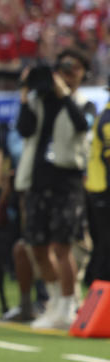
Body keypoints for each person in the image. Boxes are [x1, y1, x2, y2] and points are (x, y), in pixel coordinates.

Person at [17, 50, 92, 330]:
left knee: (63, 246)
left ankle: (69, 305)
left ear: (83, 72)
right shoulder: (39, 101)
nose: (67, 73)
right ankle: (55, 302)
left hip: (66, 181)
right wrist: (26, 91)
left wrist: (65, 96)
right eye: (63, 68)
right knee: (37, 246)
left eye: (73, 68)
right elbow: (24, 129)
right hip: (38, 180)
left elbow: (81, 126)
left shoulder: (83, 103)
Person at [84, 81, 110, 285]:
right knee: (105, 245)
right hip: (103, 189)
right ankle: (98, 290)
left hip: (98, 188)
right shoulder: (108, 119)